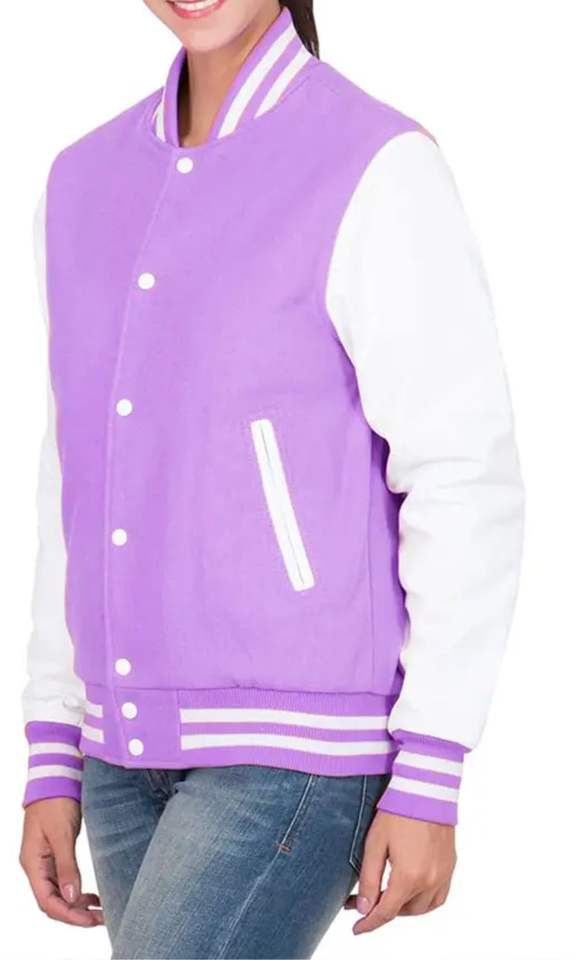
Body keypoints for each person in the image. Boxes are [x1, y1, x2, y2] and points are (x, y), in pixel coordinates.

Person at [18, 1, 525, 957]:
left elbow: (462, 472)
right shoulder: (80, 180)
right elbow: (73, 476)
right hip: (117, 748)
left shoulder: (373, 163)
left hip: (296, 750)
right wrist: (54, 742)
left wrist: (432, 763)